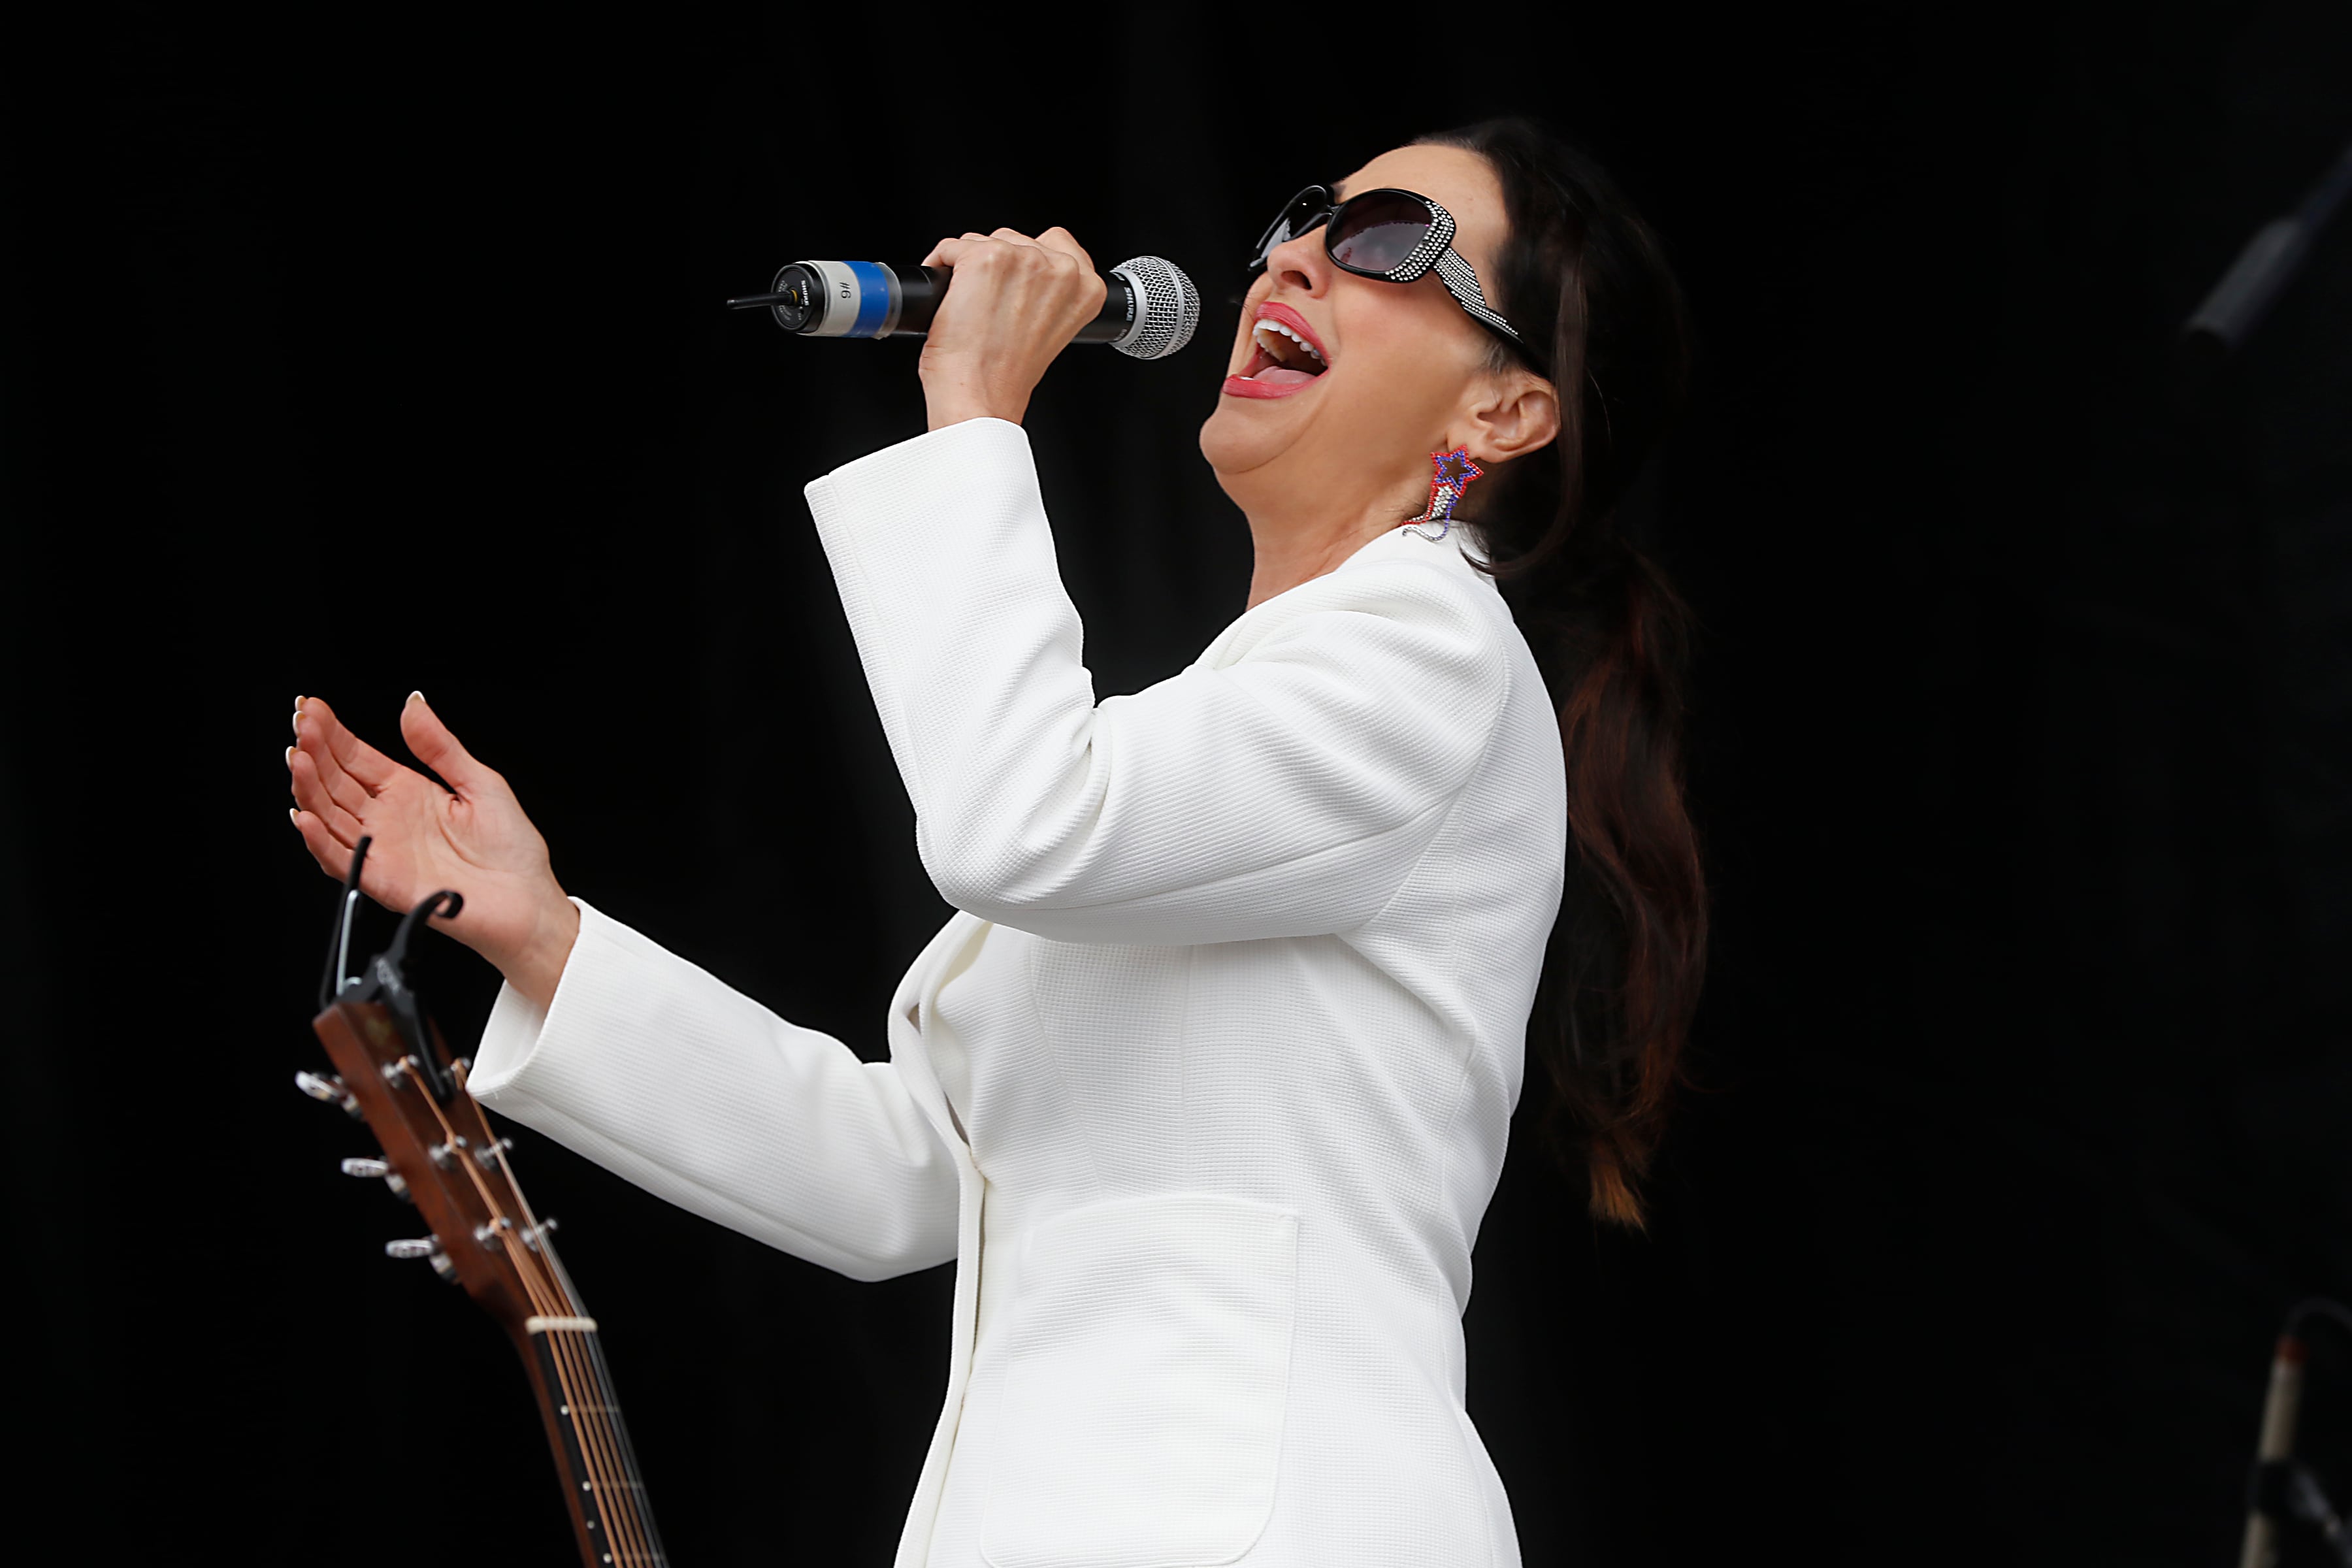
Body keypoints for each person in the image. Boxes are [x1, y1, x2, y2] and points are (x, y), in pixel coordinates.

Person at [285, 117, 1708, 1568]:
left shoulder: (1432, 655)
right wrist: (543, 930)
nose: (1293, 257)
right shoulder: (1236, 724)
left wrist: (971, 409)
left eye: (1388, 238)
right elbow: (907, 1169)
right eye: (1299, 220)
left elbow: (1019, 825)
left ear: (1506, 414)